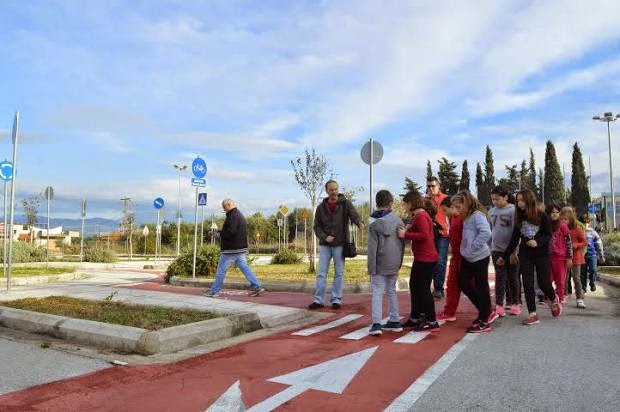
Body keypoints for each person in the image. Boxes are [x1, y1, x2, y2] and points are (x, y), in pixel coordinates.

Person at [504, 190, 561, 325]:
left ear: (530, 200)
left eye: (522, 200)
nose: (519, 203)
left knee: (544, 283)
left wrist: (537, 242)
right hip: (525, 254)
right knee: (527, 283)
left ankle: (553, 299)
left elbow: (548, 235)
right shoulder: (519, 217)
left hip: (542, 254)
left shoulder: (542, 216)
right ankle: (532, 314)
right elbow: (514, 238)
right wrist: (504, 255)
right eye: (518, 201)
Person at [310, 180, 363, 309]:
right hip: (325, 244)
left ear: (338, 190)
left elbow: (354, 215)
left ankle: (336, 300)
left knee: (339, 272)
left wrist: (359, 223)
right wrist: (324, 237)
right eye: (331, 190)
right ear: (327, 191)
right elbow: (316, 226)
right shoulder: (321, 207)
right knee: (322, 273)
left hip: (340, 243)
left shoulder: (345, 204)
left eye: (335, 189)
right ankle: (318, 300)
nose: (334, 192)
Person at [451, 191, 495, 333]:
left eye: (459, 206)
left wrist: (473, 247)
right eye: (455, 207)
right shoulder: (467, 217)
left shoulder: (477, 215)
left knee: (481, 286)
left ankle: (484, 318)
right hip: (468, 257)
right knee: (463, 283)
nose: (457, 210)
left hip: (479, 257)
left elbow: (486, 233)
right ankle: (485, 311)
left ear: (466, 203)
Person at [204, 199, 264, 298]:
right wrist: (217, 232)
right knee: (245, 268)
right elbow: (229, 230)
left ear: (228, 205)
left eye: (224, 207)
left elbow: (230, 232)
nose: (223, 209)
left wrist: (217, 235)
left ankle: (214, 291)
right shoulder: (238, 214)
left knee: (221, 269)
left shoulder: (232, 216)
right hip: (239, 248)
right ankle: (257, 286)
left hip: (231, 249)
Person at [398, 190, 439, 332]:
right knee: (415, 286)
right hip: (423, 257)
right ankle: (416, 316)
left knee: (423, 289)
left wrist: (406, 234)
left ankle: (432, 320)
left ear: (411, 203)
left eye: (405, 204)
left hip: (426, 258)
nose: (404, 207)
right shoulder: (418, 215)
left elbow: (424, 235)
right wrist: (410, 227)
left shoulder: (421, 215)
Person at [367, 190, 405, 336]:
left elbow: (372, 247)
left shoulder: (373, 223)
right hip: (394, 262)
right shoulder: (399, 221)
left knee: (377, 291)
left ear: (377, 203)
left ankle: (376, 324)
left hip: (379, 262)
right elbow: (402, 245)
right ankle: (395, 320)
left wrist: (371, 267)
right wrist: (399, 262)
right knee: (391, 290)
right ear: (391, 203)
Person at [488, 186, 520, 317]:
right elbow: (490, 230)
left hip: (511, 250)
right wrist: (490, 246)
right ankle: (499, 305)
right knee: (500, 278)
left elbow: (517, 232)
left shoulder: (513, 210)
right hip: (496, 249)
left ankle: (514, 303)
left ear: (506, 197)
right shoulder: (491, 211)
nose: (495, 202)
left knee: (513, 277)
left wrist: (514, 251)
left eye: (497, 199)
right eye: (493, 199)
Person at [436, 196, 464, 322]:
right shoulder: (453, 219)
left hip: (465, 257)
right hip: (456, 256)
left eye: (445, 210)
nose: (445, 214)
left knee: (473, 285)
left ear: (452, 207)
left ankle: (487, 310)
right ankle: (449, 311)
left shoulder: (463, 219)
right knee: (451, 284)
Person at [426, 177, 450, 299]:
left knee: (440, 261)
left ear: (439, 186)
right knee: (431, 261)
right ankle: (431, 288)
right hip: (429, 234)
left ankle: (439, 289)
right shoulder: (424, 200)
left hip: (443, 234)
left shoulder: (446, 198)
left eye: (433, 186)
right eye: (428, 186)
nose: (430, 188)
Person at [546, 203, 573, 304]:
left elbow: (569, 242)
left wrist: (569, 257)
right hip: (547, 258)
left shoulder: (563, 226)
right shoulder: (545, 225)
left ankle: (560, 298)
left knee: (560, 281)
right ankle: (551, 297)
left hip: (561, 258)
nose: (555, 214)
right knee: (547, 280)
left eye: (557, 212)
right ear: (548, 213)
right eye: (552, 212)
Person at [560, 206, 587, 308]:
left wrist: (575, 245)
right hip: (564, 257)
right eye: (561, 219)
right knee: (564, 278)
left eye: (565, 219)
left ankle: (579, 298)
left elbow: (585, 242)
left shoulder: (577, 229)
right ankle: (563, 295)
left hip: (576, 258)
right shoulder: (560, 229)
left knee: (576, 278)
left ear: (571, 219)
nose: (563, 221)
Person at [582, 215, 605, 292]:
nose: (585, 224)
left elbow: (599, 244)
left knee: (593, 270)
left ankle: (592, 283)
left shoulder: (593, 232)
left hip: (592, 255)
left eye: (587, 222)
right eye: (584, 222)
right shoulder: (579, 231)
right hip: (582, 256)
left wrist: (601, 255)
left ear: (590, 222)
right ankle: (583, 288)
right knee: (583, 273)